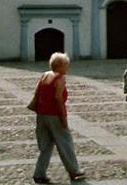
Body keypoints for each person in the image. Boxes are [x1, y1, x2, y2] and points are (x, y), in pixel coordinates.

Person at [31, 52, 85, 183]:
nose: (67, 67)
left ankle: (39, 173)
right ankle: (73, 170)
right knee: (65, 142)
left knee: (46, 146)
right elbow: (58, 98)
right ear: (60, 65)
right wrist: (63, 117)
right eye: (66, 64)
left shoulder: (45, 75)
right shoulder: (59, 78)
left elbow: (37, 92)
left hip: (41, 114)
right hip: (54, 114)